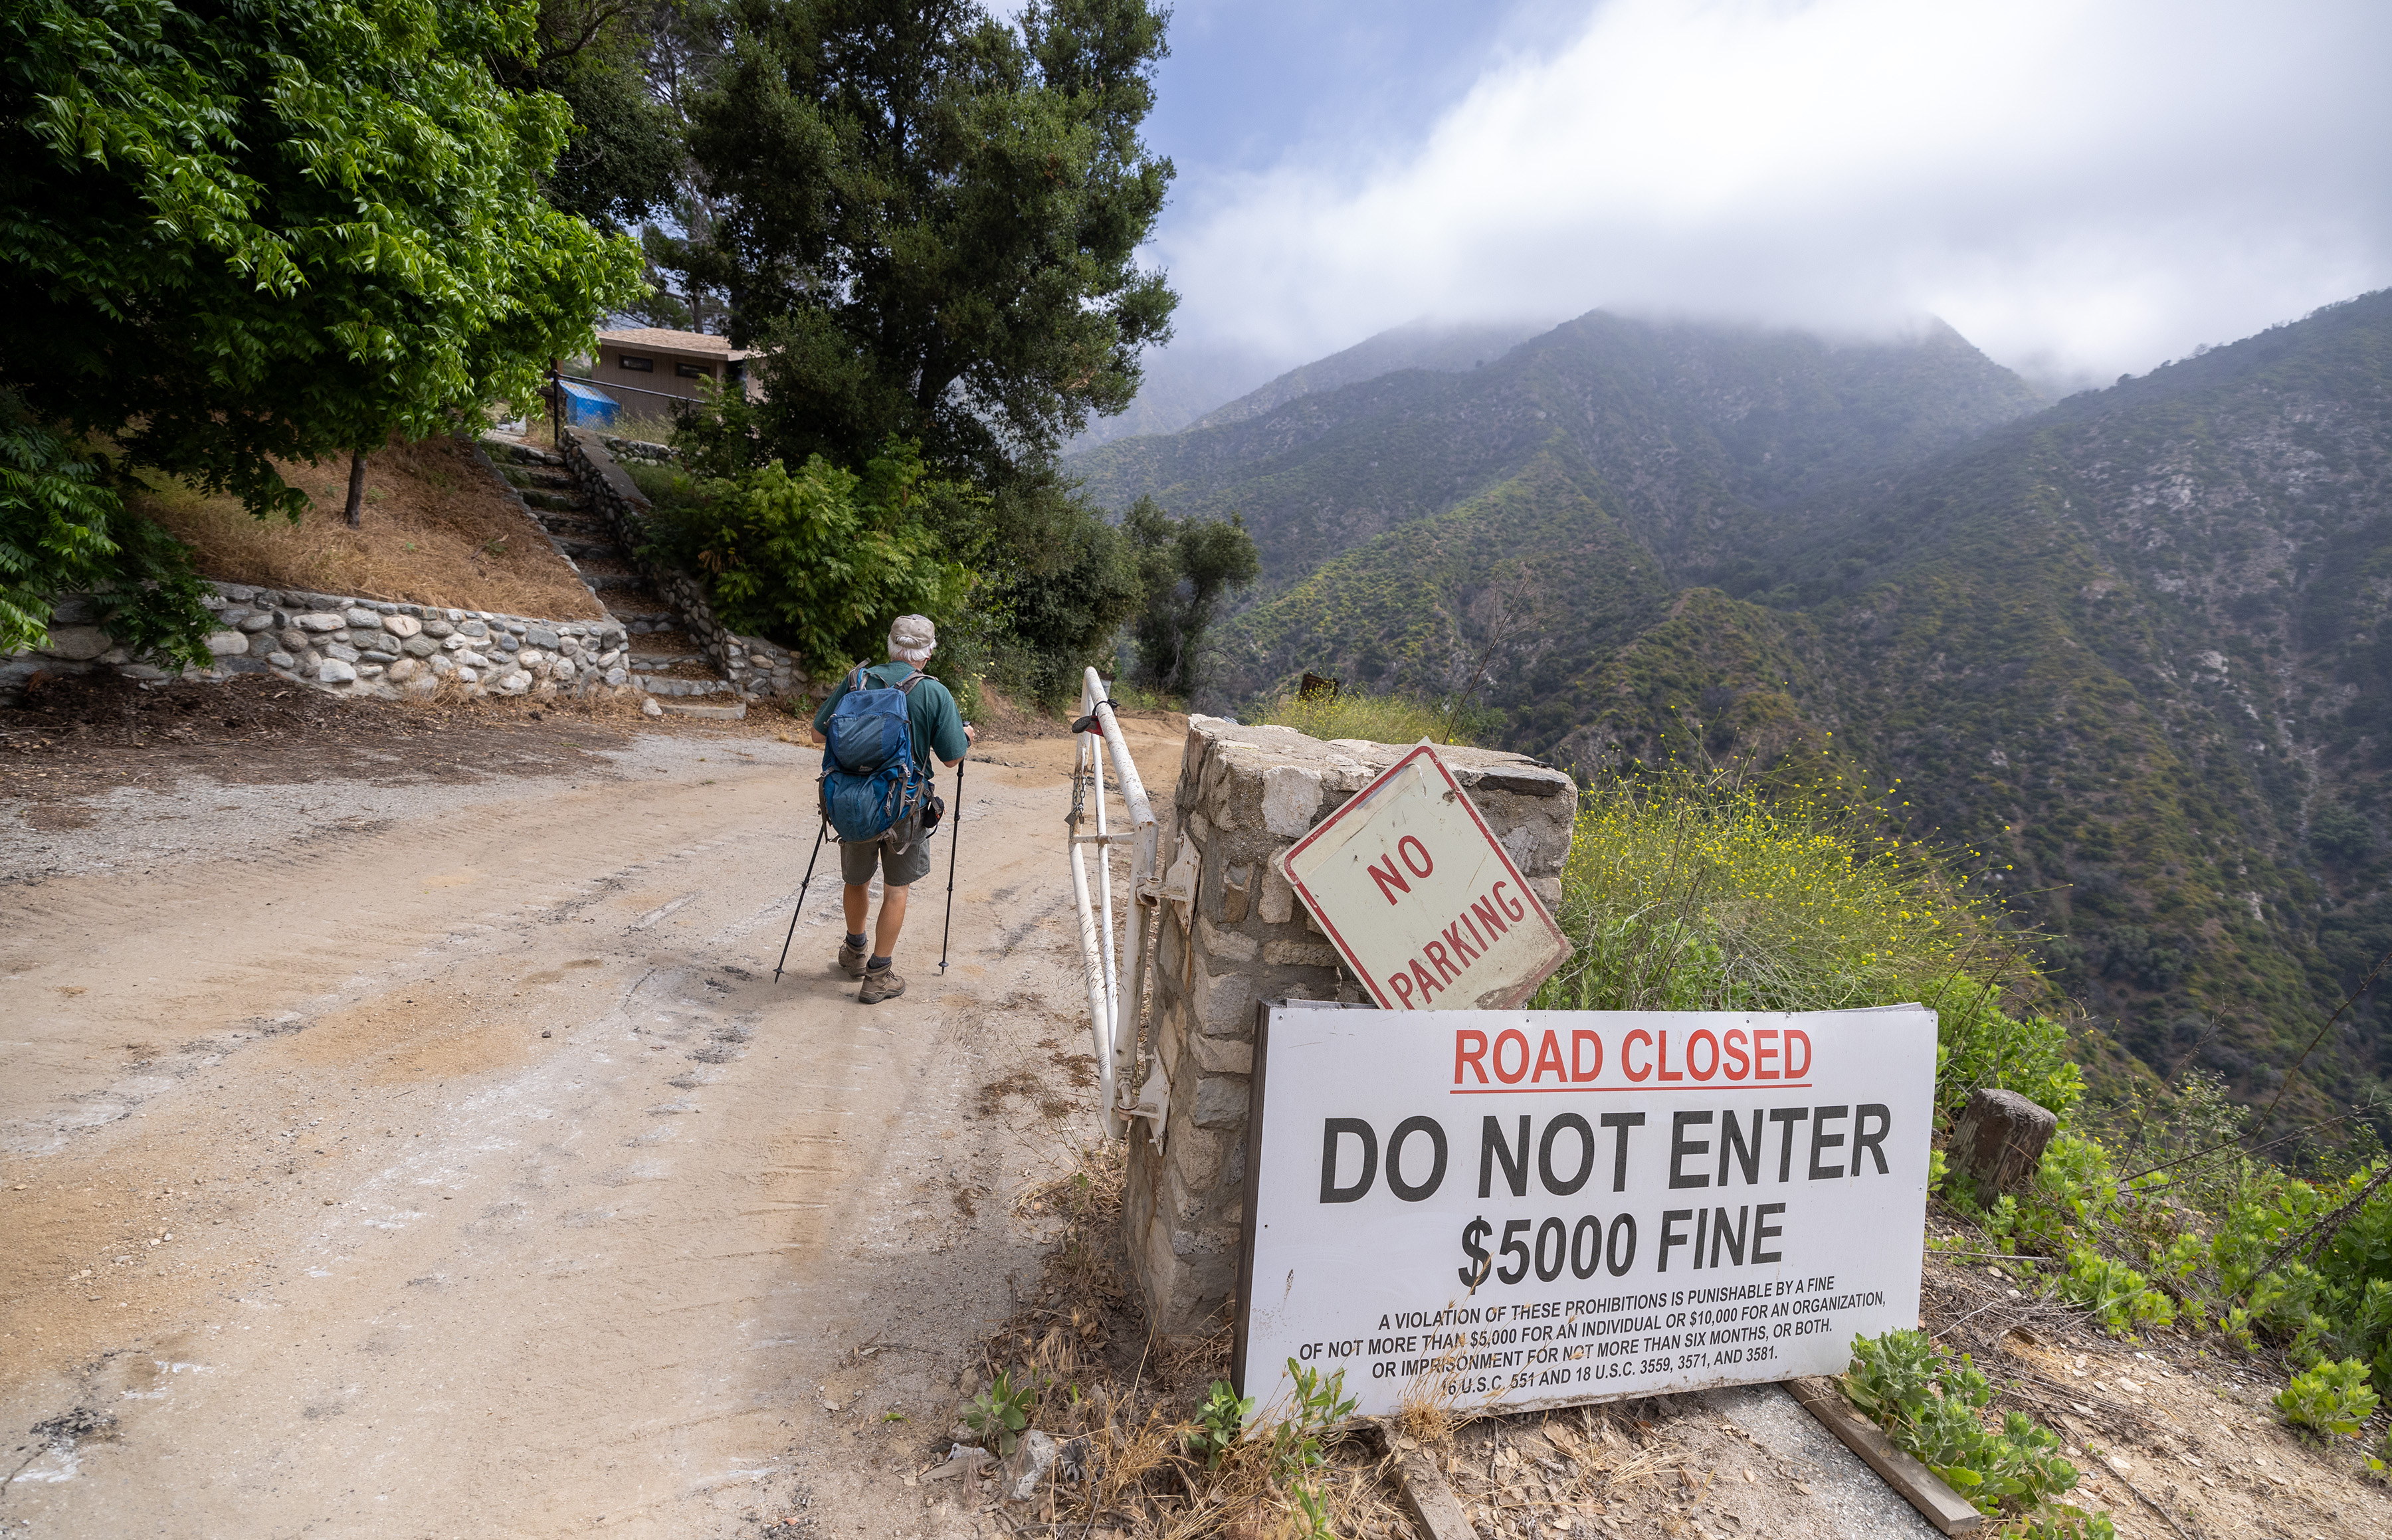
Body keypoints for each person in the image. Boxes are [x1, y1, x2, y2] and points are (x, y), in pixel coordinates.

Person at [811, 615, 974, 1003]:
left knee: (856, 879)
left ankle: (854, 953)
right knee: (896, 888)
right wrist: (966, 736)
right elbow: (952, 759)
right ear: (928, 653)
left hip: (853, 802)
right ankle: (878, 976)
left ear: (890, 645)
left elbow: (819, 732)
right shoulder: (934, 693)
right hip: (905, 804)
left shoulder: (857, 681)